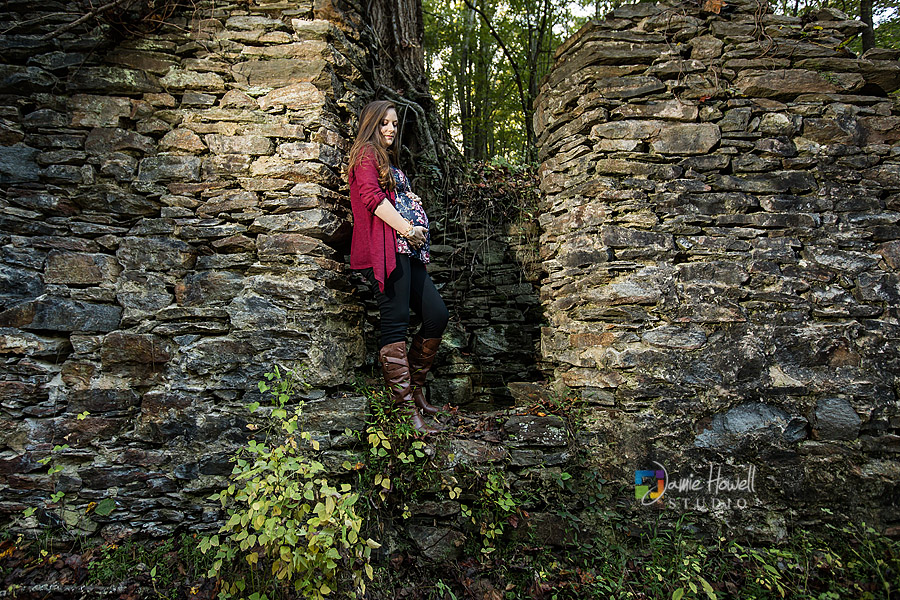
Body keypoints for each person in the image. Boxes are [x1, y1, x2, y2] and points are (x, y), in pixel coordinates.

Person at [347, 100, 449, 434]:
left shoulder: (384, 158)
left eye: (393, 124)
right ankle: (405, 412)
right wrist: (406, 226)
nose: (390, 129)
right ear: (371, 125)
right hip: (387, 251)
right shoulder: (365, 154)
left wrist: (409, 197)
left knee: (437, 314)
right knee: (396, 324)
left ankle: (416, 392)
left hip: (406, 252)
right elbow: (372, 200)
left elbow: (389, 195)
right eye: (384, 124)